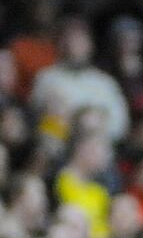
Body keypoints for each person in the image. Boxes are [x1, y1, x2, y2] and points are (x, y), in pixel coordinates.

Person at [30, 15, 129, 143]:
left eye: (80, 41)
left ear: (90, 45)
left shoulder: (105, 82)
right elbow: (34, 116)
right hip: (58, 143)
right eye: (70, 40)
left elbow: (119, 125)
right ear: (60, 44)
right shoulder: (47, 77)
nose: (75, 47)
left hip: (97, 145)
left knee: (91, 119)